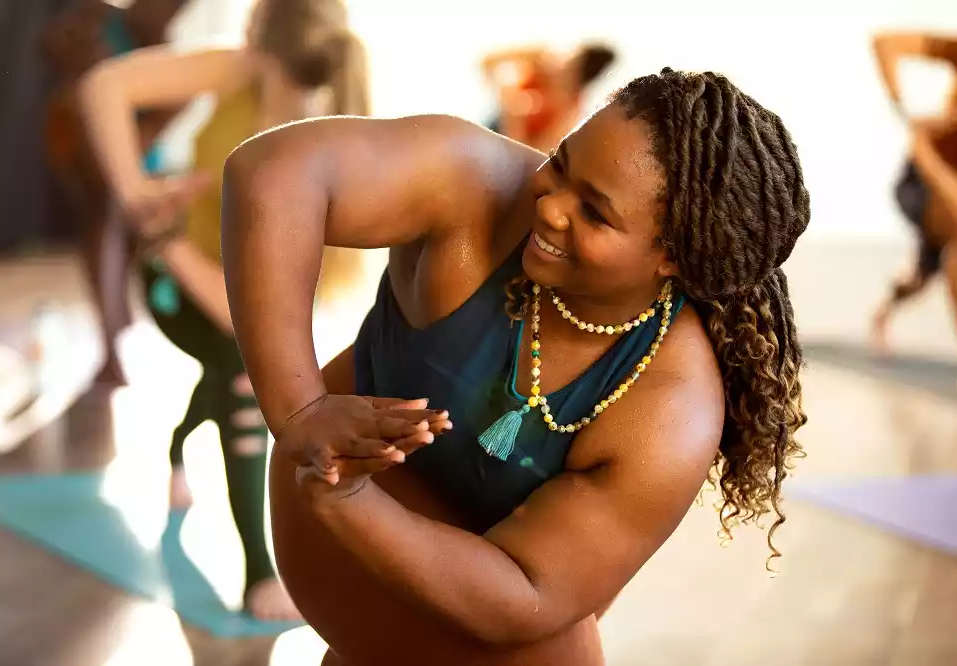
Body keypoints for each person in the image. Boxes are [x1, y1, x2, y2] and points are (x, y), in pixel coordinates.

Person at [221, 67, 810, 664]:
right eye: (559, 163)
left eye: (596, 214)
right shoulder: (472, 186)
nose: (550, 206)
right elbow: (270, 172)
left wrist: (349, 501)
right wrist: (300, 410)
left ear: (674, 258)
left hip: (454, 582)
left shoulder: (670, 404)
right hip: (330, 505)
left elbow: (527, 593)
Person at [77, 0, 370, 621]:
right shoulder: (238, 69)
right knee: (242, 373)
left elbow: (251, 313)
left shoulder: (336, 143)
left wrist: (168, 239)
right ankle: (260, 577)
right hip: (172, 282)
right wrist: (139, 199)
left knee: (235, 365)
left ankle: (178, 447)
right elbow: (105, 85)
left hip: (221, 288)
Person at [41, 0, 192, 387]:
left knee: (120, 231)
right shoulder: (98, 18)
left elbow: (173, 101)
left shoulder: (154, 35)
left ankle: (117, 330)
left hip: (130, 148)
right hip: (83, 139)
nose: (170, 13)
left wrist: (139, 142)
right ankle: (112, 340)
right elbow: (54, 46)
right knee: (103, 223)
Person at [870, 33, 957, 401]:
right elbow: (885, 44)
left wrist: (924, 149)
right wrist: (906, 115)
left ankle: (882, 314)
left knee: (920, 277)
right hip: (920, 186)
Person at [483, 43, 616, 151]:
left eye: (568, 68)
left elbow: (532, 154)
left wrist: (514, 119)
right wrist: (536, 51)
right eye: (564, 58)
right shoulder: (540, 69)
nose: (559, 63)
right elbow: (487, 62)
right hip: (491, 130)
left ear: (576, 80)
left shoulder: (568, 112)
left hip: (503, 148)